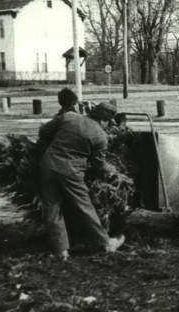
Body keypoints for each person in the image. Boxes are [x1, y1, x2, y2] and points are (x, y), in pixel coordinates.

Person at [37, 101, 125, 260]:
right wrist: (114, 171)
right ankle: (105, 243)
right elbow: (98, 165)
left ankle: (61, 251)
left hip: (47, 165)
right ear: (104, 120)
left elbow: (43, 130)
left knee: (52, 207)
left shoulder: (69, 117)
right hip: (71, 172)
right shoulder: (100, 136)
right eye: (108, 122)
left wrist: (47, 149)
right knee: (84, 207)